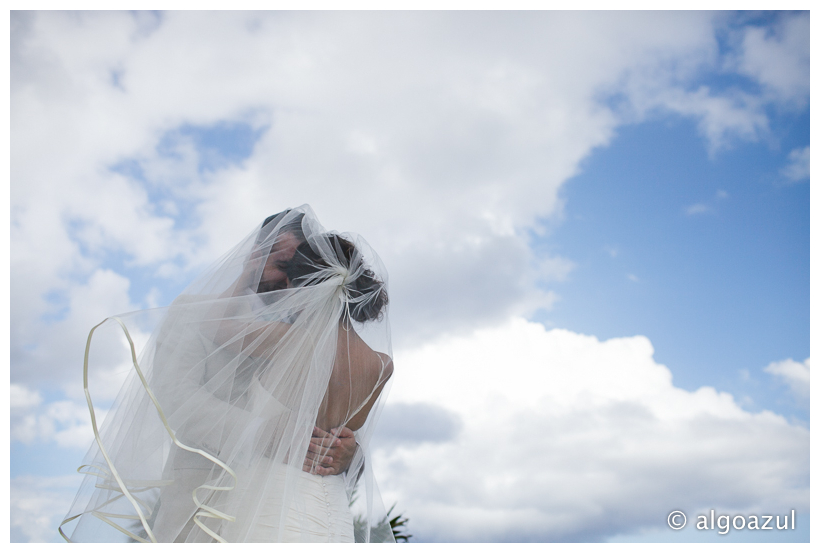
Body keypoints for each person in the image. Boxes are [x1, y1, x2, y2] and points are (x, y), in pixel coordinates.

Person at [59, 206, 395, 542]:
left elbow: (333, 430)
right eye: (281, 264)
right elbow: (176, 399)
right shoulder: (194, 312)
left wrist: (349, 453)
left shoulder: (308, 333)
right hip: (199, 508)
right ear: (255, 254)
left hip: (283, 504)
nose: (286, 281)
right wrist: (263, 433)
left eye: (295, 269)